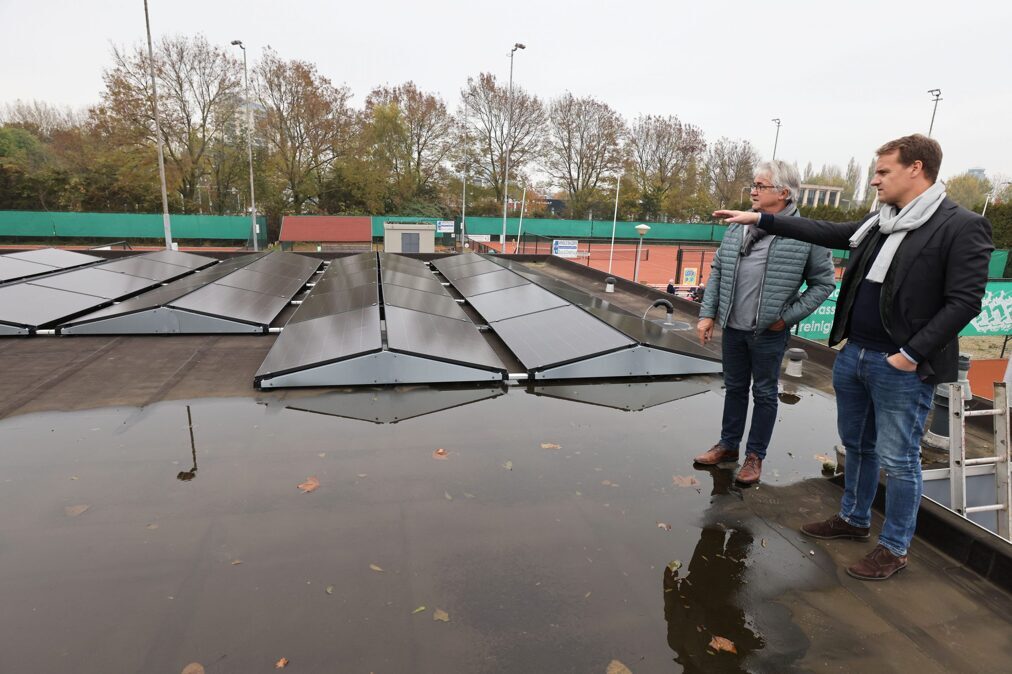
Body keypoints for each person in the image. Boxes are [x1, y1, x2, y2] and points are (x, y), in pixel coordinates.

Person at [713, 134, 993, 580]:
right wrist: (763, 219)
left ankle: (894, 548)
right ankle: (854, 518)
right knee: (858, 446)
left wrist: (910, 355)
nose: (875, 180)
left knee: (899, 460)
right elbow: (827, 232)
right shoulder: (879, 221)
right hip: (856, 354)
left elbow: (964, 303)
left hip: (902, 366)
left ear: (916, 168)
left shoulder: (960, 226)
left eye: (883, 171)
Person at [696, 160, 835, 485]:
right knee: (734, 388)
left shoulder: (806, 233)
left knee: (764, 393)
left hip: (768, 333)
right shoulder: (739, 225)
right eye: (754, 185)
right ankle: (728, 445)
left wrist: (785, 319)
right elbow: (718, 270)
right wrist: (707, 314)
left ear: (784, 193)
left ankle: (755, 457)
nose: (753, 191)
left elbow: (824, 284)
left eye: (761, 186)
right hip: (733, 327)